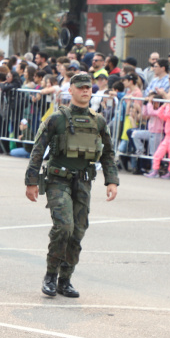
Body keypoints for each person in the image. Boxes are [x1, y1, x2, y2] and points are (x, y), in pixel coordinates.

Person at [25, 72, 119, 298]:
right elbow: (38, 150)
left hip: (84, 182)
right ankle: (50, 275)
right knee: (63, 227)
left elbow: (107, 153)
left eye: (88, 87)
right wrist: (31, 181)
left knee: (77, 232)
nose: (85, 91)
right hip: (58, 180)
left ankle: (65, 279)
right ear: (72, 90)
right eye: (81, 87)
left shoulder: (98, 121)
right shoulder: (57, 119)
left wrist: (112, 180)